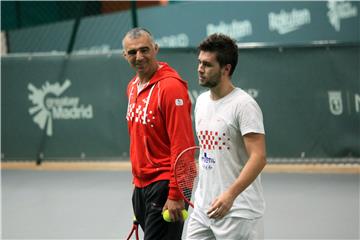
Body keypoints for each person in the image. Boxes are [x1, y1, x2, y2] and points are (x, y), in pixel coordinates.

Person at [186, 33, 267, 239]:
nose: (200, 69)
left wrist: (230, 194)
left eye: (207, 64)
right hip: (204, 209)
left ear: (226, 69)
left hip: (238, 211)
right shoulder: (202, 102)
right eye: (199, 62)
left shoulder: (244, 105)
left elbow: (259, 157)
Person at [122, 27, 195, 240]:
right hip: (141, 187)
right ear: (124, 55)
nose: (139, 56)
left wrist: (176, 194)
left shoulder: (171, 87)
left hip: (166, 186)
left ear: (155, 49)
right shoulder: (132, 88)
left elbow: (183, 146)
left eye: (144, 50)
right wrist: (138, 184)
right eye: (132, 52)